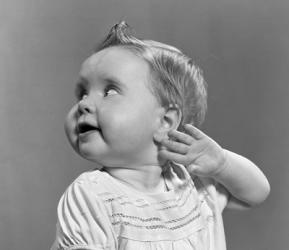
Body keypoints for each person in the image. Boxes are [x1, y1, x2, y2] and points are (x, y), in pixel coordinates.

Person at [51, 21, 270, 250]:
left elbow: (255, 194)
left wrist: (222, 165)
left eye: (110, 91)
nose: (84, 104)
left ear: (165, 122)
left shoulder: (191, 184)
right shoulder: (92, 195)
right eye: (82, 93)